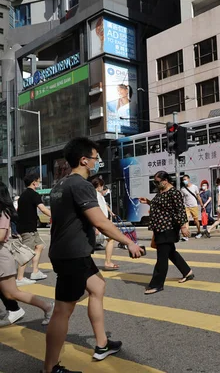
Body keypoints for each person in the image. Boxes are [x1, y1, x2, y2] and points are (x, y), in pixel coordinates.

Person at [44, 137, 143, 373]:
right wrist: (128, 242)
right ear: (84, 160)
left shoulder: (60, 184)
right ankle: (49, 369)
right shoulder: (80, 185)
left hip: (69, 251)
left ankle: (101, 344)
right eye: (95, 158)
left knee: (97, 287)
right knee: (62, 311)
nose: (98, 161)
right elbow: (100, 221)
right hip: (72, 254)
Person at [0, 181, 53, 328]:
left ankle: (47, 307)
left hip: (2, 257)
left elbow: (1, 235)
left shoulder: (3, 213)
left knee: (12, 293)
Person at [139, 171, 193, 295]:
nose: (156, 184)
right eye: (155, 182)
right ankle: (187, 272)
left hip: (168, 228)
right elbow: (161, 206)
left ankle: (157, 284)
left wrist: (183, 227)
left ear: (165, 180)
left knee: (161, 257)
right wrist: (148, 201)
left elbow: (180, 210)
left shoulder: (174, 192)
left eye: (158, 182)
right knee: (171, 253)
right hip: (159, 228)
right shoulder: (161, 192)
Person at [15, 172, 52, 286]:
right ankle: (20, 278)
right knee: (26, 252)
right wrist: (55, 216)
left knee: (39, 246)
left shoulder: (23, 196)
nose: (39, 183)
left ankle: (35, 272)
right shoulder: (34, 195)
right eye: (39, 181)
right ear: (34, 182)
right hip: (28, 228)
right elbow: (43, 209)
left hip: (28, 227)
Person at [90, 177, 118, 270]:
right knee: (110, 239)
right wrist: (97, 226)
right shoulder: (96, 195)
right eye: (102, 186)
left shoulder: (97, 195)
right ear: (99, 186)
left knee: (110, 239)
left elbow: (104, 206)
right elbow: (97, 210)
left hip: (101, 222)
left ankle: (107, 262)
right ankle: (108, 262)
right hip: (100, 222)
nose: (103, 188)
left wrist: (110, 213)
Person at [180, 175, 202, 239]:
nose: (184, 181)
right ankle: (186, 236)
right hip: (186, 206)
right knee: (186, 220)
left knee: (196, 220)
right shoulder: (183, 189)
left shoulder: (194, 187)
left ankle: (199, 232)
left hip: (194, 206)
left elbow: (198, 196)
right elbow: (182, 198)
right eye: (183, 180)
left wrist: (201, 204)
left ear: (189, 179)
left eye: (185, 179)